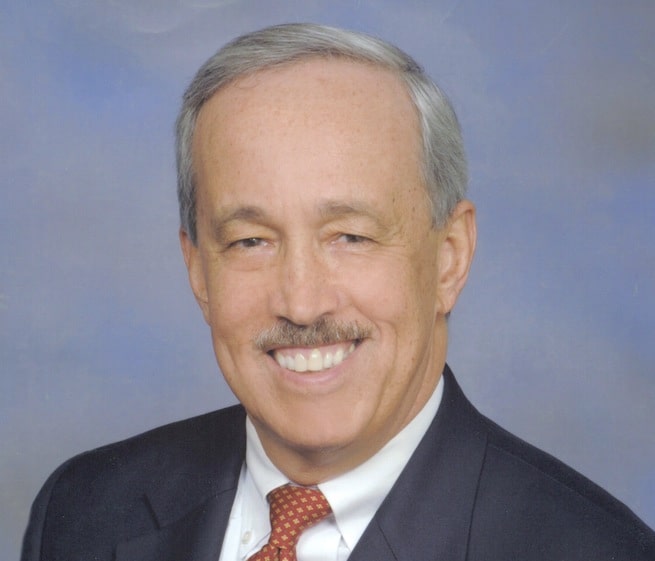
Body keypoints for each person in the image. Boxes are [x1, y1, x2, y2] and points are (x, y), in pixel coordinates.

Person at [21, 23, 655, 561]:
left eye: (350, 236)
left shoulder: (595, 548)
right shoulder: (81, 514)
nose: (302, 303)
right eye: (250, 241)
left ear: (449, 257)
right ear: (198, 271)